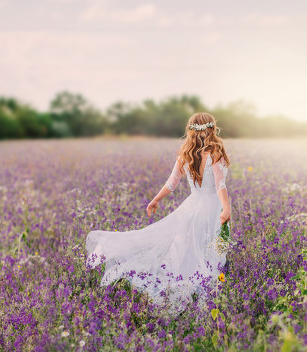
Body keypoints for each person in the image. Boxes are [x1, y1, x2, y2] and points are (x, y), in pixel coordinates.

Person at [85, 112, 231, 314]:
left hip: (191, 208)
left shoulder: (185, 155)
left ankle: (192, 280)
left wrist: (155, 199)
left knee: (190, 247)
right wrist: (226, 207)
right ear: (212, 129)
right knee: (212, 247)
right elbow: (220, 185)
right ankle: (208, 286)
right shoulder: (215, 153)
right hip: (211, 209)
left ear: (190, 131)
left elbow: (171, 184)